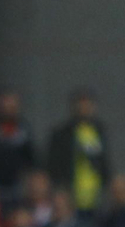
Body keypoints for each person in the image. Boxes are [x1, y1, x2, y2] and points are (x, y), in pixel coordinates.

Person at [46, 87, 111, 215]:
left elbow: (103, 161)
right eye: (81, 105)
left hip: (95, 195)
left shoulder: (98, 131)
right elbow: (54, 163)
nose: (84, 109)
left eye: (88, 105)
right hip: (71, 194)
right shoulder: (63, 133)